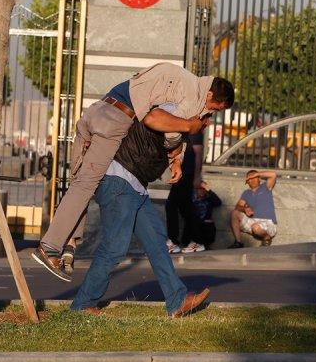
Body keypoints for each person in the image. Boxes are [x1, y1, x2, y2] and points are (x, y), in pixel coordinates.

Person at [33, 62, 235, 281]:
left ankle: (69, 246)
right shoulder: (193, 98)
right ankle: (50, 246)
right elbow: (161, 125)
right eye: (214, 108)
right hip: (116, 120)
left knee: (79, 184)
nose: (210, 113)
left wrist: (177, 154)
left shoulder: (183, 77)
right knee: (85, 185)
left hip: (97, 110)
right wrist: (185, 136)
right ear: (209, 95)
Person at [70, 112, 210, 318]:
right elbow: (155, 125)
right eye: (207, 118)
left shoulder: (179, 122)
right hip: (119, 181)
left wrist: (178, 161)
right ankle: (83, 304)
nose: (207, 124)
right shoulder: (169, 109)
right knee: (114, 247)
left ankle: (177, 301)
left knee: (156, 241)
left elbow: (171, 148)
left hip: (136, 186)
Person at [165, 131, 204, 254]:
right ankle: (195, 240)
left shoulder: (194, 131)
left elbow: (198, 154)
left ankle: (174, 241)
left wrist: (197, 176)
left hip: (187, 174)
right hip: (182, 173)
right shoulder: (182, 131)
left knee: (171, 205)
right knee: (186, 209)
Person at [229, 170, 278, 248]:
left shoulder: (265, 187)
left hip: (267, 223)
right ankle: (238, 242)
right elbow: (238, 206)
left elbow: (273, 174)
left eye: (253, 177)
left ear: (259, 179)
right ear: (247, 182)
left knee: (255, 227)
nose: (251, 179)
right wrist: (244, 209)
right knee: (234, 213)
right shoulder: (246, 193)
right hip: (252, 221)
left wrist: (257, 173)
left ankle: (266, 238)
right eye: (249, 178)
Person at [181, 181, 222, 252]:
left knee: (201, 221)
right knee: (191, 218)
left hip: (206, 230)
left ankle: (199, 244)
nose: (202, 191)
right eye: (200, 189)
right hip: (193, 230)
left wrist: (208, 189)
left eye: (204, 189)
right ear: (195, 190)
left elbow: (218, 202)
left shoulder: (209, 200)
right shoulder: (191, 200)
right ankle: (194, 243)